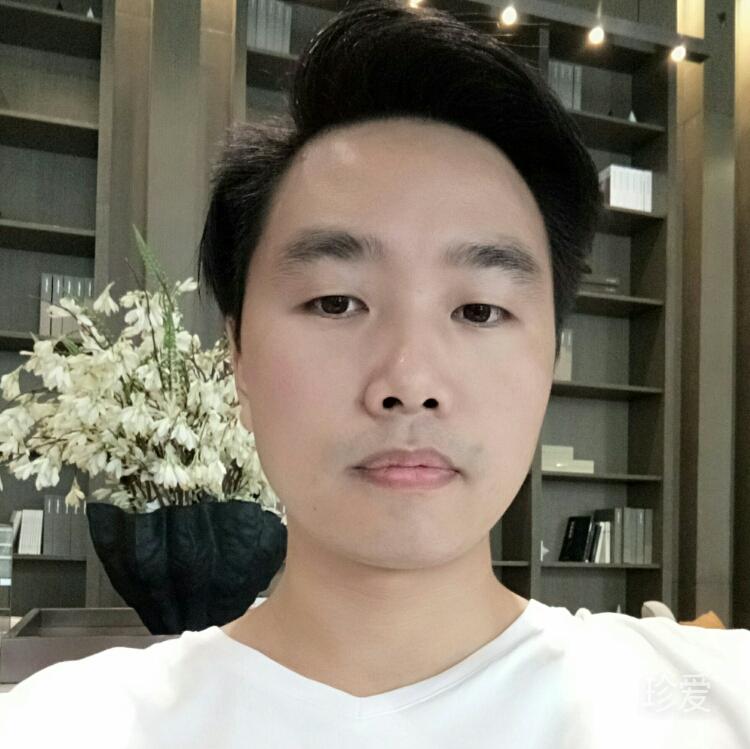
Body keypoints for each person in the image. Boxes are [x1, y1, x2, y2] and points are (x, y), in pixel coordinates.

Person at [2, 1, 749, 747]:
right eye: (336, 302)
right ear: (238, 356)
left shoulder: (714, 701)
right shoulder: (69, 725)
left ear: (550, 359)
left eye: (479, 310)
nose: (410, 381)